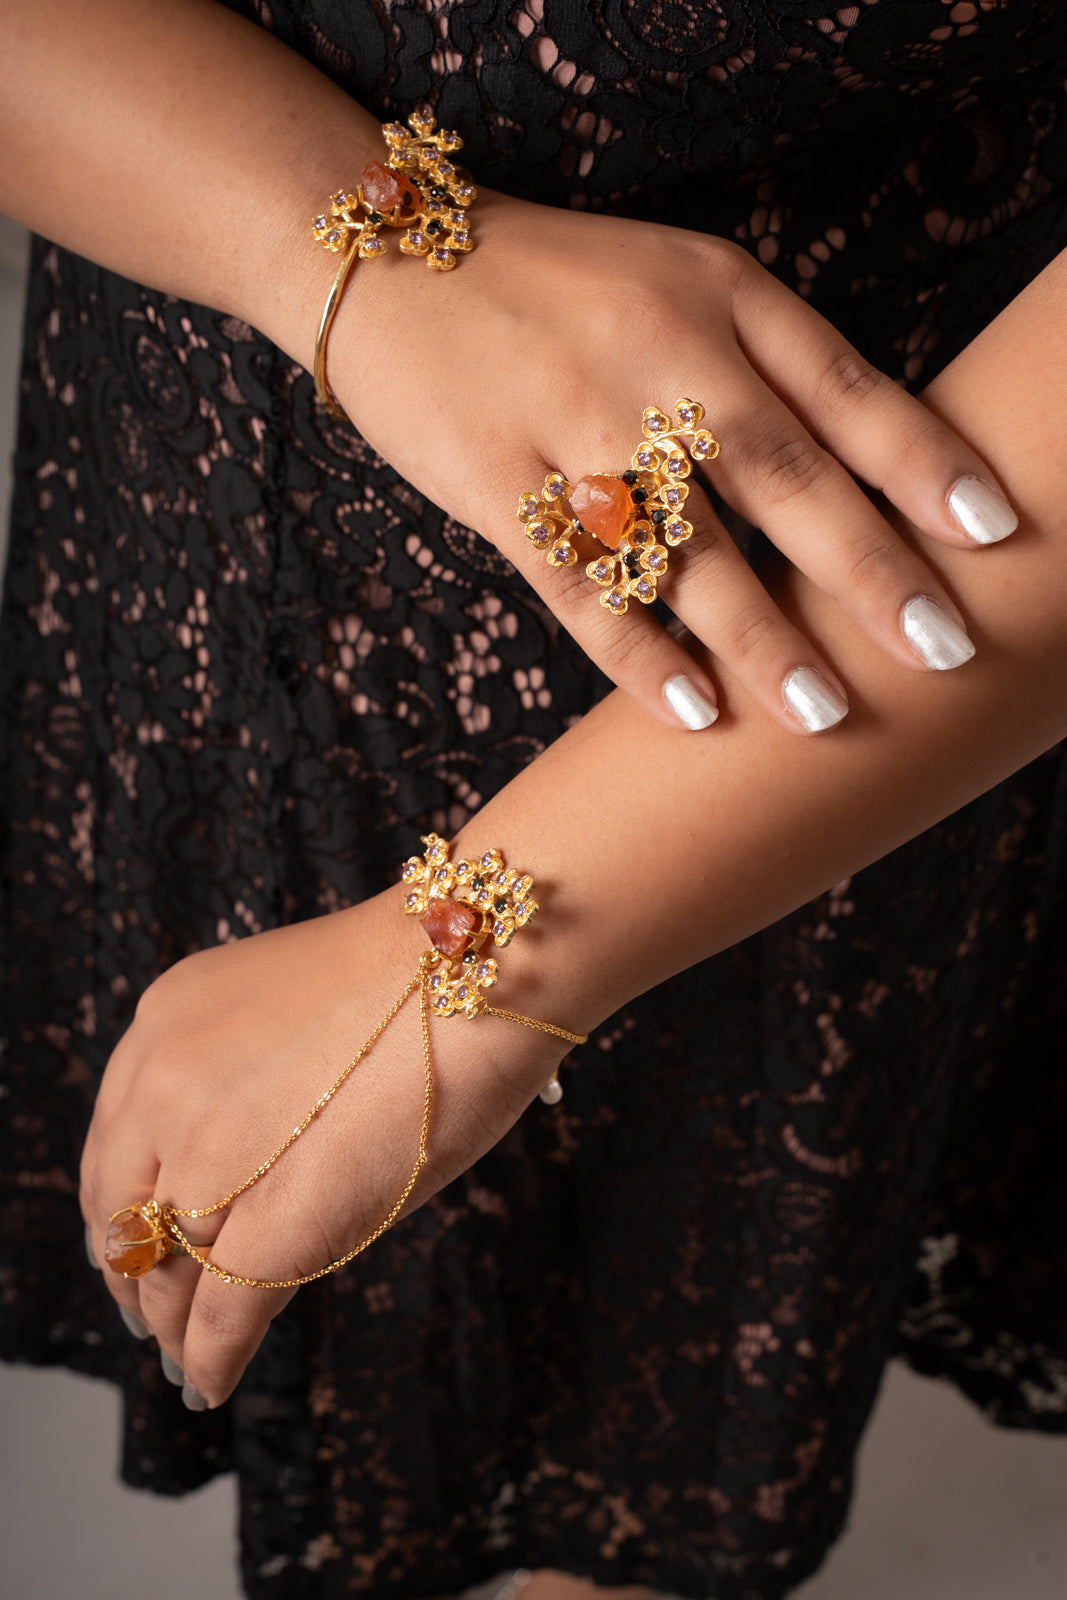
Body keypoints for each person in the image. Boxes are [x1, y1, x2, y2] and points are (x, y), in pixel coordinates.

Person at [2, 3, 1066, 1598]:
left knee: (669, 1383)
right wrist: (349, 257)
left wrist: (451, 974)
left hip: (886, 628)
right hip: (207, 494)